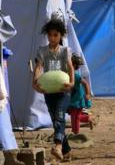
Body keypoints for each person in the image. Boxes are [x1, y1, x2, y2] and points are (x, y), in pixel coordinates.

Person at [32, 18, 74, 161]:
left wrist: (72, 82)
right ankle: (67, 151)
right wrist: (35, 82)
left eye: (55, 35)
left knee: (60, 117)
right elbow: (38, 68)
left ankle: (57, 146)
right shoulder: (43, 51)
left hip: (63, 91)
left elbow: (70, 67)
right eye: (50, 35)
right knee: (56, 120)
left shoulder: (65, 51)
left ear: (61, 35)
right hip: (49, 92)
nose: (52, 38)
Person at [68, 53, 97, 134]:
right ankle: (88, 119)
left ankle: (75, 133)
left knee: (75, 117)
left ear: (72, 65)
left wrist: (87, 94)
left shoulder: (76, 76)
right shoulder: (66, 74)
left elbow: (85, 83)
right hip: (71, 100)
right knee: (74, 116)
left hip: (78, 101)